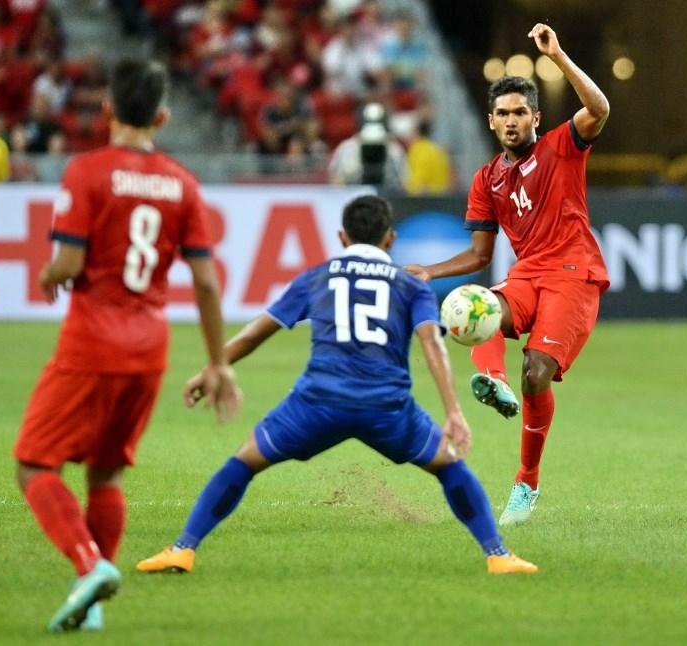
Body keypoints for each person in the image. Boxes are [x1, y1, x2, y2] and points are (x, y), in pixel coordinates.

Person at [136, 195, 537, 577]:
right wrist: (453, 411)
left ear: (342, 238)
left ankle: (184, 548)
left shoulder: (317, 278)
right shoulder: (410, 286)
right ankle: (498, 555)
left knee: (243, 461)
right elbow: (432, 342)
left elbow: (255, 334)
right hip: (387, 408)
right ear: (390, 239)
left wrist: (212, 368)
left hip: (316, 404)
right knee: (450, 467)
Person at [12, 58, 241, 633]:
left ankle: (89, 565)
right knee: (106, 475)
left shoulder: (87, 172)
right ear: (163, 116)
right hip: (148, 348)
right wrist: (218, 362)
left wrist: (48, 275)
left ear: (108, 110)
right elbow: (208, 281)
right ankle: (91, 602)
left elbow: (67, 262)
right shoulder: (182, 183)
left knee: (34, 463)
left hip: (91, 342)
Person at [405, 24, 610, 526]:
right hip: (527, 274)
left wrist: (558, 55)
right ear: (492, 122)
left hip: (573, 273)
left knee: (537, 371)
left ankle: (526, 484)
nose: (513, 120)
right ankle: (493, 382)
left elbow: (600, 109)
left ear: (536, 118)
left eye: (521, 112)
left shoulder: (562, 147)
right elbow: (479, 254)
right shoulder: (487, 178)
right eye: (504, 113)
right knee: (477, 304)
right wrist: (429, 271)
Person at [328, 102, 406, 187]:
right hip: (354, 196)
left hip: (386, 197)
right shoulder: (346, 149)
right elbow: (335, 181)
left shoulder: (394, 151)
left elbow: (402, 183)